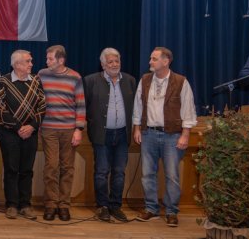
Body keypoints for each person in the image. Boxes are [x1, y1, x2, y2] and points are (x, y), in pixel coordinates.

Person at [133, 47, 197, 227]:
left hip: (172, 135)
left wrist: (185, 135)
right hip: (148, 133)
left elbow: (188, 109)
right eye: (151, 58)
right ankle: (151, 209)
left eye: (154, 59)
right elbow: (138, 106)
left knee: (172, 176)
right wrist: (137, 128)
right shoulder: (145, 80)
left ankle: (171, 211)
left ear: (166, 61)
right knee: (147, 174)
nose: (150, 62)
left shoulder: (181, 81)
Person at [83, 48, 137, 222]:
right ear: (103, 64)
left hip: (122, 134)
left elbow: (136, 108)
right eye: (110, 62)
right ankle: (102, 206)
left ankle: (115, 206)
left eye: (117, 61)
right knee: (101, 172)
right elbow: (84, 107)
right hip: (101, 134)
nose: (114, 64)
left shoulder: (130, 80)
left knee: (119, 172)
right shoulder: (90, 81)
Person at [36, 45, 86, 221]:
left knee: (67, 168)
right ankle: (50, 204)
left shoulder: (75, 77)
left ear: (61, 60)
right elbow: (36, 99)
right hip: (48, 128)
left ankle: (64, 205)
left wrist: (78, 129)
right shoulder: (42, 75)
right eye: (47, 58)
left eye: (50, 59)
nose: (47, 61)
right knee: (51, 167)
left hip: (69, 130)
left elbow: (81, 105)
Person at [0, 50, 46, 220]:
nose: (31, 64)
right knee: (11, 170)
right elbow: (0, 110)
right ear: (17, 64)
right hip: (9, 134)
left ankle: (25, 204)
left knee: (26, 170)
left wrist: (31, 127)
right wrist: (19, 127)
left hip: (31, 133)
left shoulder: (36, 81)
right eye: (28, 61)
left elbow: (42, 106)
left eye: (31, 61)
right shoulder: (3, 81)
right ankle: (11, 204)